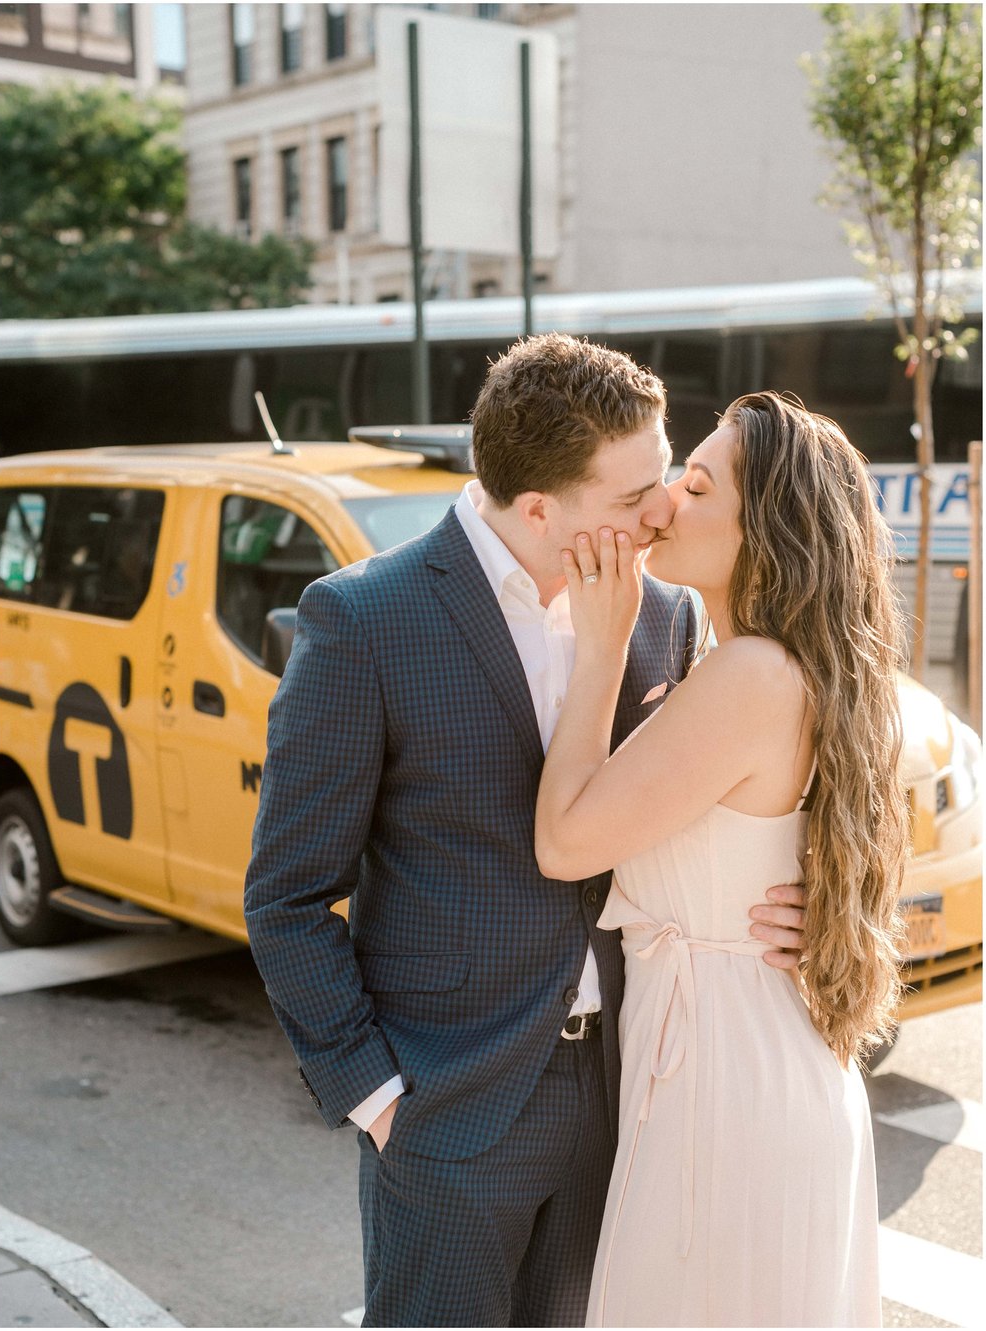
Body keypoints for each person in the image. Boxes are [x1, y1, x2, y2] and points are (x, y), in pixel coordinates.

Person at [244, 338, 806, 1329]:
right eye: (634, 492)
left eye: (666, 472)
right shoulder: (362, 620)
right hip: (446, 1110)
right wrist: (380, 1101)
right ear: (541, 507)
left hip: (629, 1092)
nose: (664, 507)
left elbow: (715, 805)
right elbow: (287, 897)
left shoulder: (664, 617)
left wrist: (809, 902)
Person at [535, 391, 908, 1328]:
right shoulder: (763, 662)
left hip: (729, 1087)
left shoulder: (750, 675)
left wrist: (602, 642)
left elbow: (564, 840)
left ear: (763, 534)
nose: (661, 500)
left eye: (695, 486)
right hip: (740, 1059)